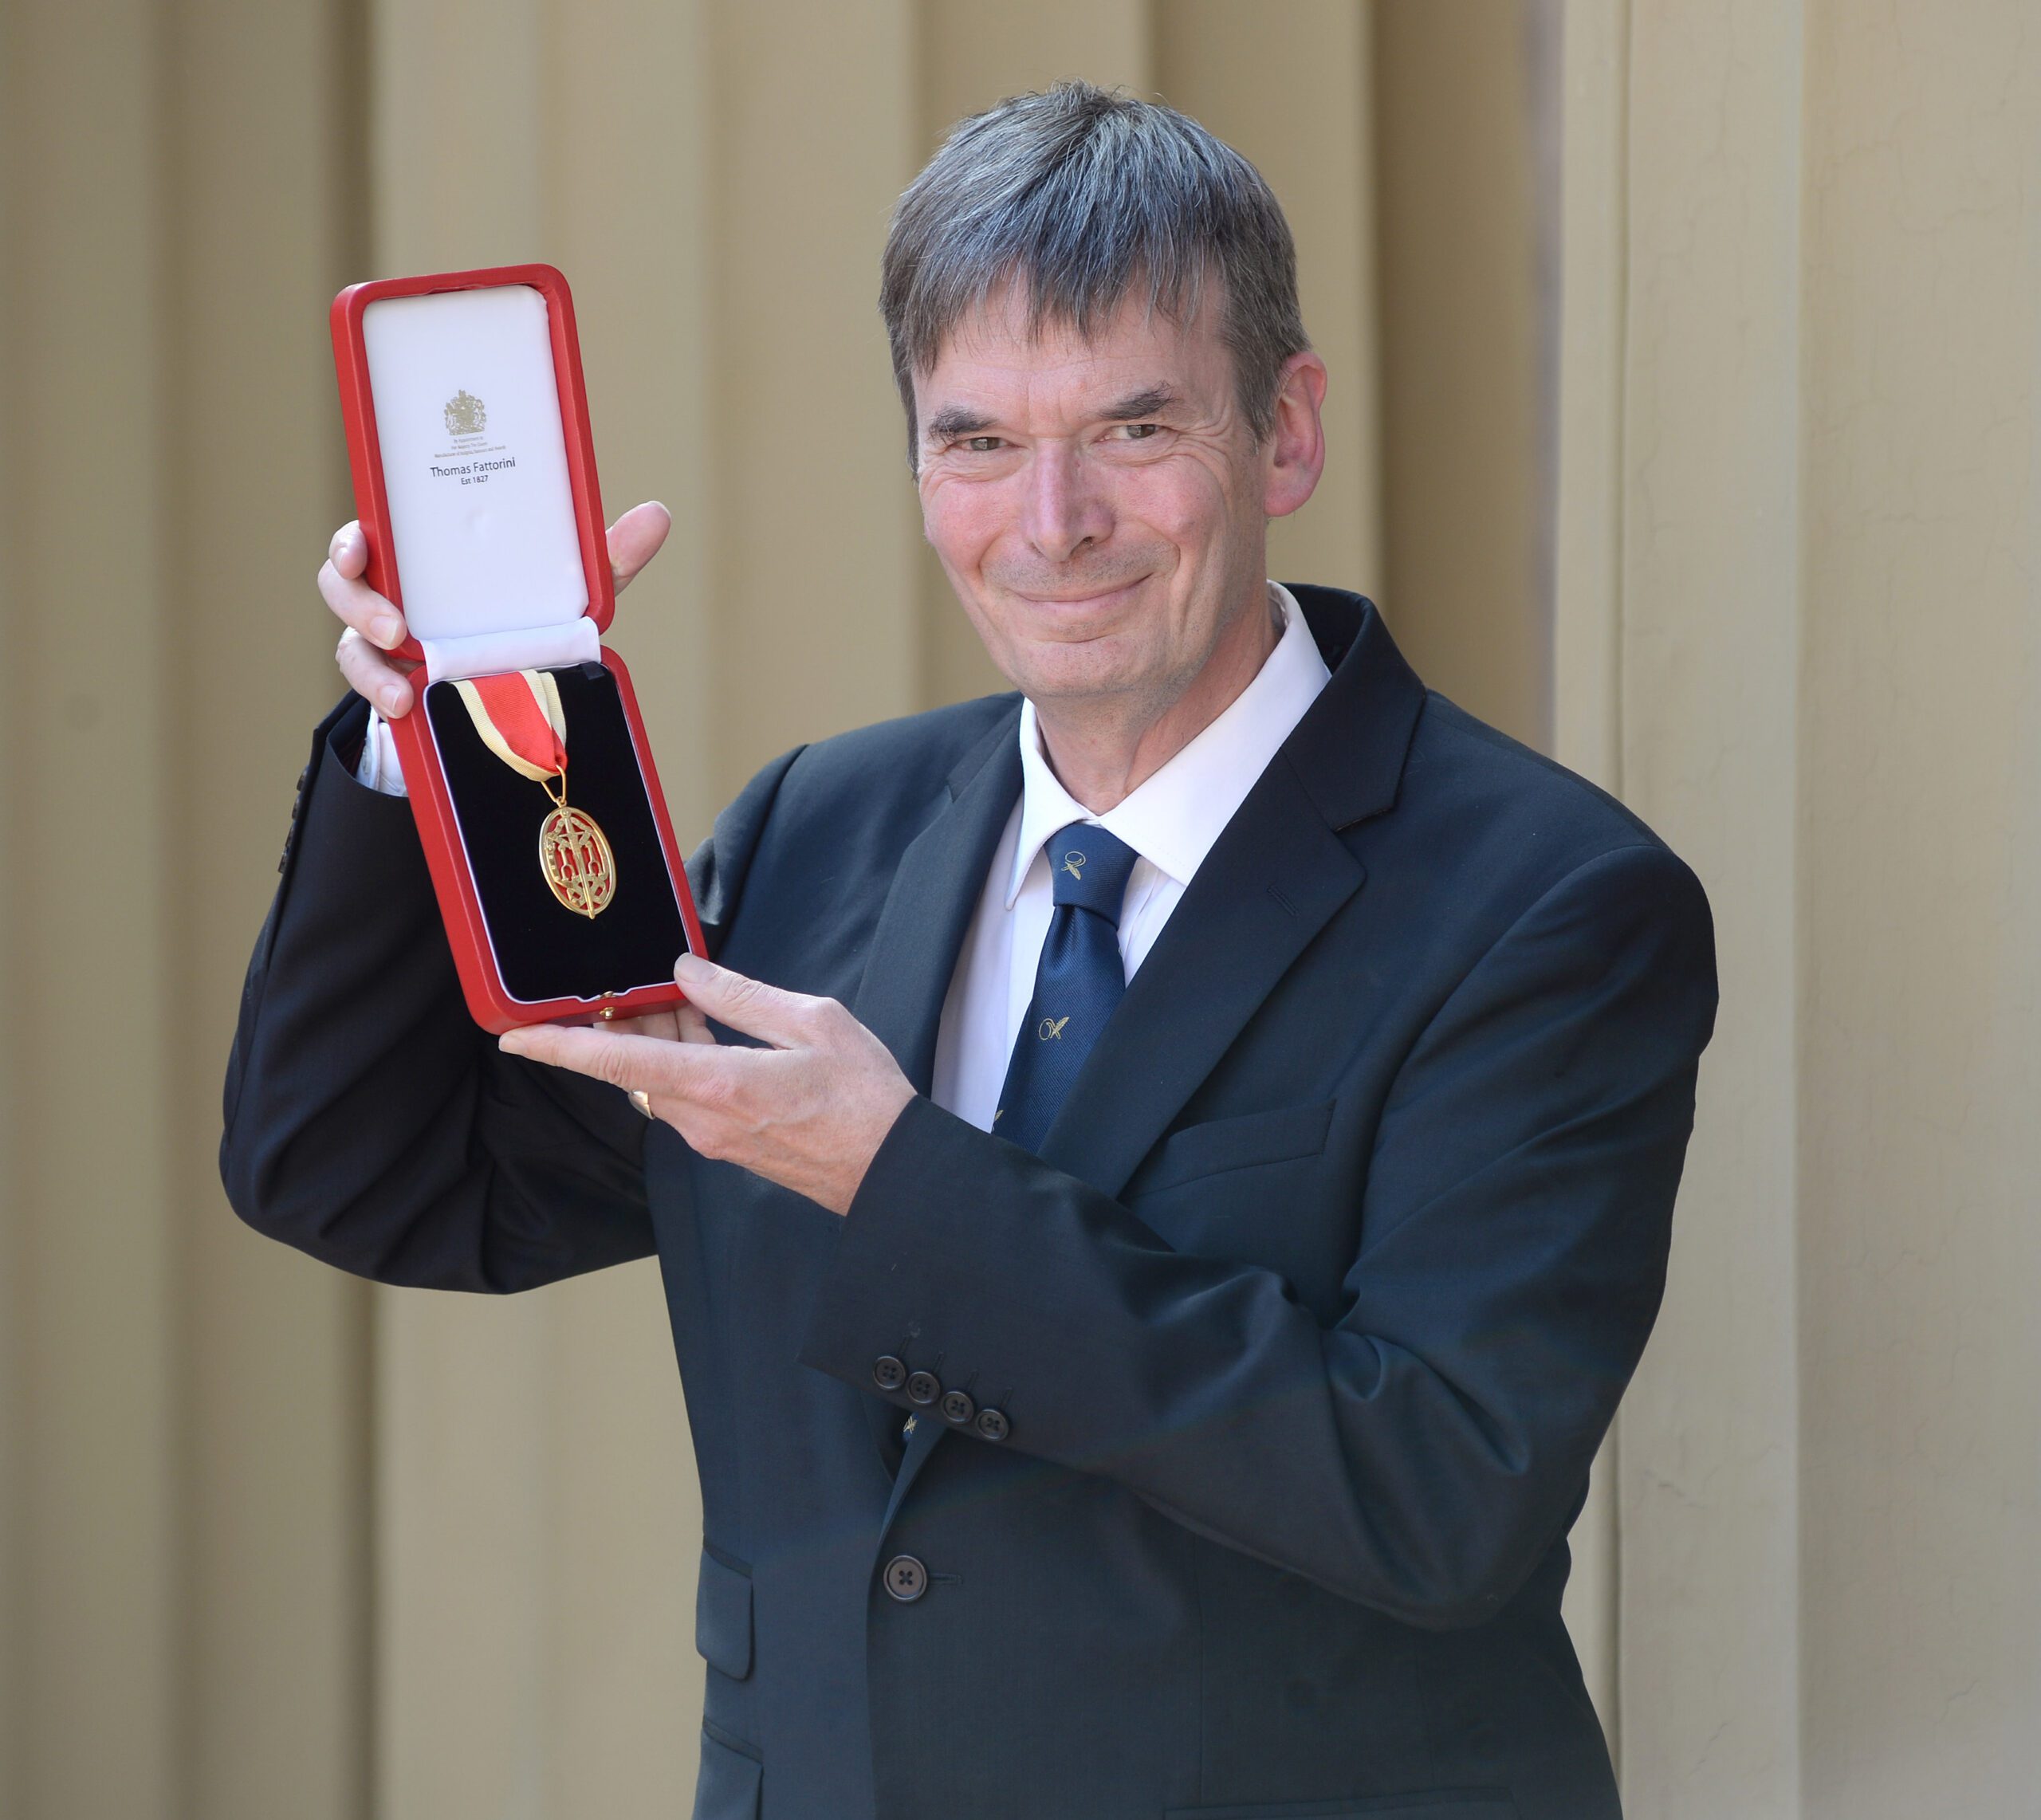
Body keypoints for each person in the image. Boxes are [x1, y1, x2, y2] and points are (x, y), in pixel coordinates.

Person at [226, 83, 1716, 1820]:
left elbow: (1438, 1488)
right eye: (978, 440)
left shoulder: (1546, 903)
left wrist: (895, 1177)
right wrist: (442, 723)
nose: (1053, 516)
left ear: (1286, 432)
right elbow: (366, 1170)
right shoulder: (816, 830)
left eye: (1135, 427)